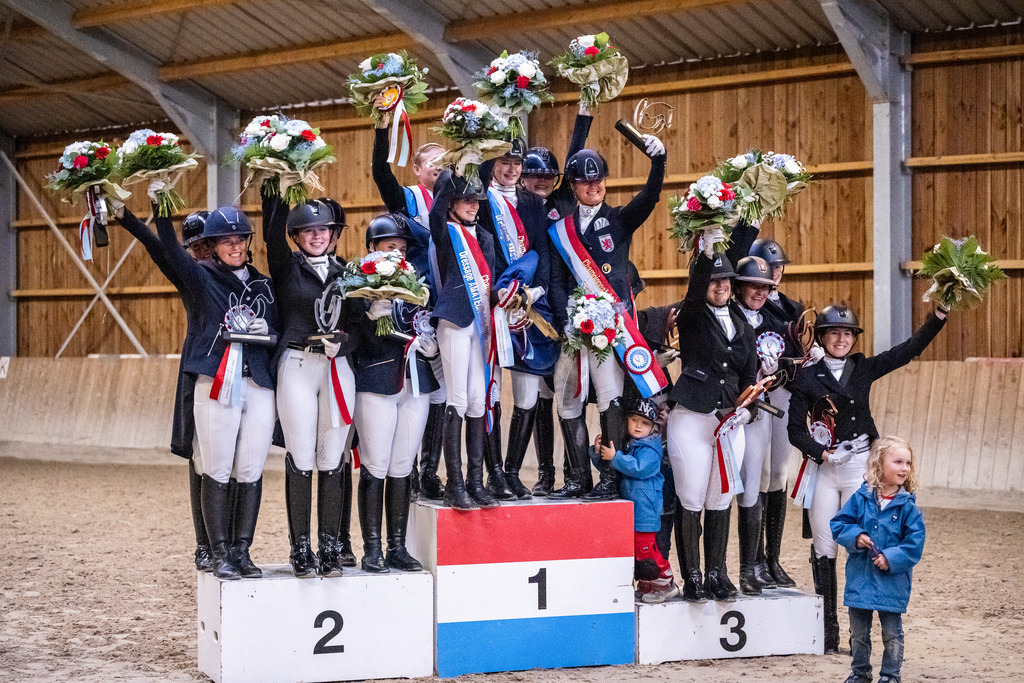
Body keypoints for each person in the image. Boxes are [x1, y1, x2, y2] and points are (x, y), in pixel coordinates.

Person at [788, 303, 946, 652]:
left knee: (859, 542)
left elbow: (908, 351)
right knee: (825, 544)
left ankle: (858, 629)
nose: (841, 339)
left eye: (847, 334)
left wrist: (938, 316)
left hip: (859, 465)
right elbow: (794, 431)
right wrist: (823, 453)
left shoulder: (862, 368)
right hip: (826, 467)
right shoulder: (806, 378)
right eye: (834, 333)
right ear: (824, 337)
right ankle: (827, 628)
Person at [158, 206, 278, 581]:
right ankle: (220, 551)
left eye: (240, 239)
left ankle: (243, 549)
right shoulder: (200, 276)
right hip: (216, 384)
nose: (235, 246)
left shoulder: (264, 285)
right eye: (227, 241)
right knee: (218, 467)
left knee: (250, 468)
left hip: (258, 384)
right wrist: (160, 203)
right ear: (213, 245)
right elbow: (167, 248)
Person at [547, 134, 667, 501]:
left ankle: (609, 478)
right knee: (566, 396)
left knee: (609, 396)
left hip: (610, 328)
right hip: (574, 327)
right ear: (574, 185)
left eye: (599, 180)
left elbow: (649, 198)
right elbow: (556, 280)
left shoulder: (618, 219)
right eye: (586, 181)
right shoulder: (561, 231)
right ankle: (577, 477)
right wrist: (563, 321)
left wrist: (658, 162)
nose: (594, 186)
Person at [263, 194, 356, 578]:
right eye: (308, 231)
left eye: (323, 229)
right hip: (298, 364)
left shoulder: (350, 272)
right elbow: (270, 237)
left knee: (332, 457)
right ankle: (301, 547)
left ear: (333, 234)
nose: (317, 236)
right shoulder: (286, 268)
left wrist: (345, 341)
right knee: (302, 456)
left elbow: (361, 327)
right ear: (297, 236)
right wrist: (281, 188)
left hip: (337, 367)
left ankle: (331, 547)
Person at [114, 202, 210, 571]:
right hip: (198, 369)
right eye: (195, 247)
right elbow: (157, 248)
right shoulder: (189, 276)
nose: (200, 252)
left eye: (206, 245)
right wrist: (128, 220)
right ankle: (204, 542)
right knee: (200, 459)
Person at [346, 214, 439, 572]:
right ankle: (372, 548)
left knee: (402, 466)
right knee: (376, 464)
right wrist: (368, 316)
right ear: (373, 249)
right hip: (377, 380)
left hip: (416, 381)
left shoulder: (416, 284)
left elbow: (427, 321)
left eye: (401, 247)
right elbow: (354, 338)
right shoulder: (359, 286)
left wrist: (432, 343)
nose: (397, 253)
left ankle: (397, 546)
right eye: (389, 247)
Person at [370, 115, 448, 501]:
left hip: (447, 306)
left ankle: (429, 469)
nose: (439, 169)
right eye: (432, 163)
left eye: (445, 163)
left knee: (442, 393)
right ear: (417, 170)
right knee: (415, 389)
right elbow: (380, 173)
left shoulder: (460, 201)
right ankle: (409, 466)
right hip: (413, 309)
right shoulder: (408, 202)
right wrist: (382, 130)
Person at [478, 139, 554, 500]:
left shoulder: (532, 203)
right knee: (489, 393)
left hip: (525, 304)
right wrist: (497, 296)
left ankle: (511, 472)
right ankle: (491, 472)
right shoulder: (479, 198)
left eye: (516, 162)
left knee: (526, 397)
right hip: (490, 303)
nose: (510, 169)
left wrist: (534, 293)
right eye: (503, 161)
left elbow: (541, 250)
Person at [428, 169, 498, 510]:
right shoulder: (446, 233)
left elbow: (492, 280)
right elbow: (434, 211)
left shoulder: (485, 237)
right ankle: (454, 484)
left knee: (476, 400)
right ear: (453, 202)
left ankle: (475, 480)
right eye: (466, 200)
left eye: (476, 200)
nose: (473, 205)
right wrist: (458, 169)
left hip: (480, 322)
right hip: (455, 319)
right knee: (455, 398)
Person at [831, 436, 925, 683]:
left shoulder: (908, 507)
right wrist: (856, 535)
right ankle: (860, 673)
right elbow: (839, 524)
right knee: (859, 633)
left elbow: (914, 544)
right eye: (898, 462)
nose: (904, 468)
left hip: (891, 582)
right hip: (861, 578)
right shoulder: (860, 498)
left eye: (908, 463)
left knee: (892, 633)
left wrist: (890, 558)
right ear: (879, 464)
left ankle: (890, 676)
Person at [749, 238, 806, 590]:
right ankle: (754, 558)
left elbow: (801, 348)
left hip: (784, 394)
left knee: (778, 475)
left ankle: (773, 558)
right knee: (757, 475)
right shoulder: (750, 308)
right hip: (756, 394)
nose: (776, 273)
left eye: (779, 267)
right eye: (770, 269)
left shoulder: (793, 308)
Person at [730, 255, 784, 595]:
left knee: (753, 486)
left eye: (765, 288)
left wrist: (774, 371)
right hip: (726, 410)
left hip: (756, 415)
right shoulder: (727, 317)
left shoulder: (772, 321)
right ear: (740, 286)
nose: (760, 293)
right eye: (754, 286)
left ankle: (749, 568)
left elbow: (784, 371)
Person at [592, 398, 678, 604]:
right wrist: (599, 453)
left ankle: (666, 581)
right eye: (634, 420)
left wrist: (616, 457)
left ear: (653, 426)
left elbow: (638, 468)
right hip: (635, 509)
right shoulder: (631, 445)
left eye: (645, 423)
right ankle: (648, 583)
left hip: (645, 510)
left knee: (645, 550)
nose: (638, 426)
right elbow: (616, 468)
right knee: (639, 550)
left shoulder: (650, 449)